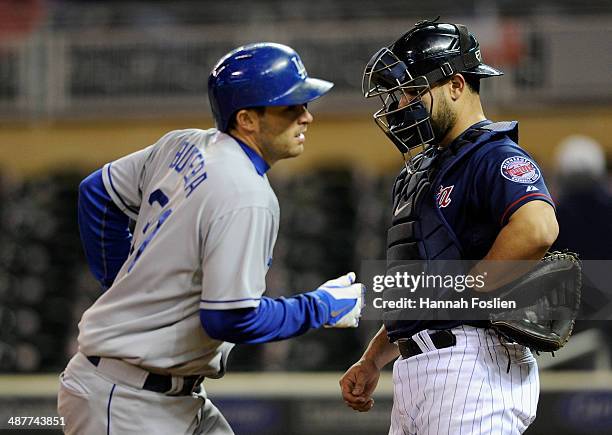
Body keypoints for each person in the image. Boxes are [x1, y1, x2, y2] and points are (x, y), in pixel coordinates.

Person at [57, 42, 365, 435]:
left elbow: (98, 192)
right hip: (127, 401)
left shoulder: (182, 143)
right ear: (247, 119)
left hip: (168, 394)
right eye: (291, 106)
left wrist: (125, 284)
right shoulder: (246, 194)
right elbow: (231, 318)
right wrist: (319, 307)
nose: (306, 117)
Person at [340, 19, 558, 434]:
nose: (400, 104)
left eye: (412, 90)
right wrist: (373, 360)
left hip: (473, 365)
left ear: (456, 85)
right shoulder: (422, 171)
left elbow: (537, 228)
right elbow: (425, 287)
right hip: (418, 367)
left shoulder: (492, 155)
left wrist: (473, 290)